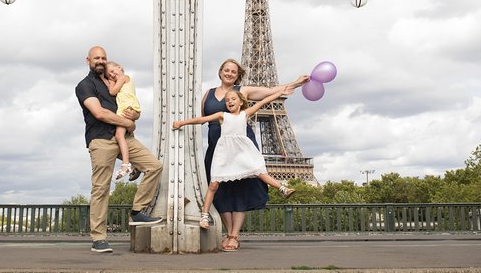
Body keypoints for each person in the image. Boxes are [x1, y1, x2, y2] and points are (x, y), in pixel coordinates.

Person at [201, 58, 309, 251]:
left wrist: (297, 82)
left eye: (233, 71)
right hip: (217, 146)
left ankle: (234, 235)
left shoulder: (243, 91)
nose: (229, 73)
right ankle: (228, 233)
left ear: (238, 75)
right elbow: (201, 119)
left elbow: (272, 92)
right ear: (220, 72)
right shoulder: (208, 94)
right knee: (221, 191)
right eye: (226, 70)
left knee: (242, 188)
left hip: (241, 145)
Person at [172, 88, 298, 244]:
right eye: (227, 100)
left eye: (233, 99)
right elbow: (201, 120)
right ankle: (204, 216)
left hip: (241, 152)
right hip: (225, 154)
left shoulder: (246, 114)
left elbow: (265, 101)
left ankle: (282, 188)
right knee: (213, 184)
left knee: (259, 171)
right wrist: (182, 123)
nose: (229, 101)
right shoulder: (222, 116)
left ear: (241, 102)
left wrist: (281, 92)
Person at [75, 46, 163, 253]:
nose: (101, 60)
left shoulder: (115, 81)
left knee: (154, 166)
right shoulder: (85, 85)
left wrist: (134, 117)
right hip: (101, 139)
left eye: (104, 58)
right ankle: (99, 238)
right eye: (97, 57)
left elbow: (129, 106)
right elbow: (99, 113)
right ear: (88, 60)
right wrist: (128, 122)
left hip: (124, 136)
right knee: (101, 188)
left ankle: (137, 211)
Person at [104, 61, 140, 180]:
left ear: (120, 67)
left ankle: (126, 165)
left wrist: (110, 82)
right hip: (128, 108)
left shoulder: (124, 77)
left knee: (119, 136)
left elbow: (112, 91)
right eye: (109, 75)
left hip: (126, 109)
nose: (112, 75)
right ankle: (135, 165)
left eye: (113, 71)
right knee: (126, 137)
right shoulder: (124, 82)